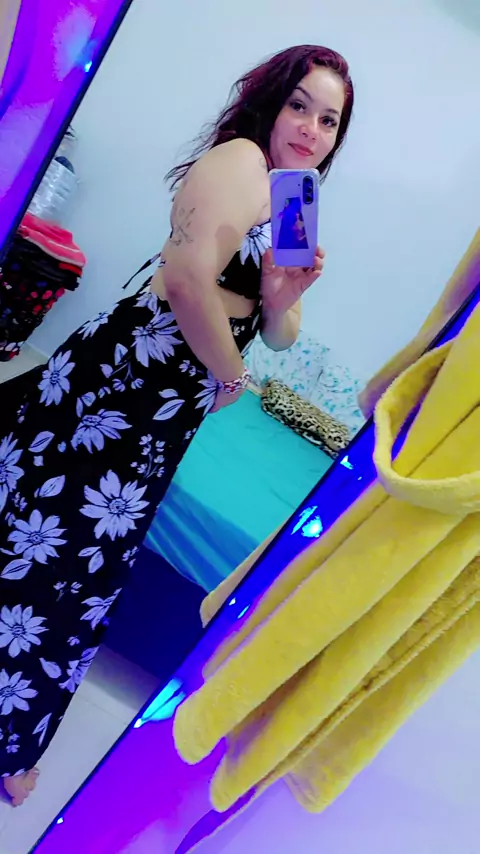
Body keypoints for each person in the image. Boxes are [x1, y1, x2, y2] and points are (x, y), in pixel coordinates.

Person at [0, 43, 354, 805]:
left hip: (167, 405)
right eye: (300, 105)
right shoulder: (240, 160)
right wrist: (231, 374)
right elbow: (189, 281)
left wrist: (282, 296)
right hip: (127, 382)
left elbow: (281, 333)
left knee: (79, 562)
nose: (311, 128)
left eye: (329, 119)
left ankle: (14, 736)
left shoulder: (293, 196)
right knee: (52, 546)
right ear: (271, 102)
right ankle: (13, 742)